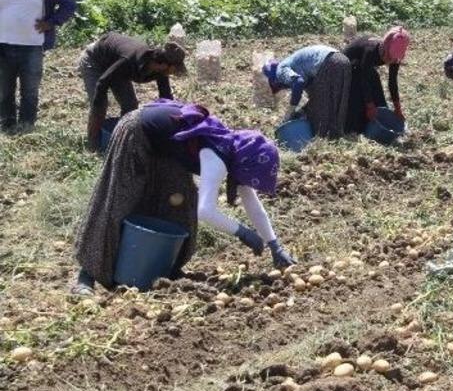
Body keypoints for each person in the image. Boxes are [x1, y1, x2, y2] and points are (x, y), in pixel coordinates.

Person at [72, 99, 295, 296]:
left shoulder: (236, 152)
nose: (248, 182)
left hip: (166, 145)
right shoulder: (216, 156)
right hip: (136, 130)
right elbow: (206, 211)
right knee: (119, 199)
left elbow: (251, 202)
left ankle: (166, 268)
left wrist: (275, 245)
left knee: (181, 202)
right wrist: (243, 233)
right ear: (246, 165)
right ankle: (86, 276)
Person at [0, 0, 76, 132]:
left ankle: (26, 126)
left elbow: (69, 3)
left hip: (32, 46)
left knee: (30, 91)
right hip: (2, 46)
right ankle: (6, 124)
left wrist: (51, 22)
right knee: (3, 90)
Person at [82, 32, 187, 150]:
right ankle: (93, 144)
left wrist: (171, 122)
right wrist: (98, 106)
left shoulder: (161, 71)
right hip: (95, 60)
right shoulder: (130, 60)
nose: (174, 73)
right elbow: (102, 82)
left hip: (116, 66)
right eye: (175, 68)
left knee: (130, 105)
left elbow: (166, 97)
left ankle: (122, 139)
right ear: (163, 64)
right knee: (101, 104)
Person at [262, 44, 352, 138]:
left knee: (321, 105)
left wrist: (292, 108)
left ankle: (322, 136)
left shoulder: (280, 71)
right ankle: (337, 135)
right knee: (338, 101)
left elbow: (298, 82)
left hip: (329, 63)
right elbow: (313, 92)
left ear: (273, 80)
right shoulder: (297, 66)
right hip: (343, 61)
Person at [343, 26, 410, 134]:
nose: (391, 60)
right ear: (385, 47)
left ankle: (380, 122)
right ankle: (358, 128)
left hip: (365, 69)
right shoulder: (371, 50)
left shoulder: (395, 57)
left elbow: (392, 81)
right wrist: (369, 106)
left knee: (378, 100)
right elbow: (363, 79)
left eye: (394, 59)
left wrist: (398, 109)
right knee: (360, 99)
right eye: (389, 56)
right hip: (349, 68)